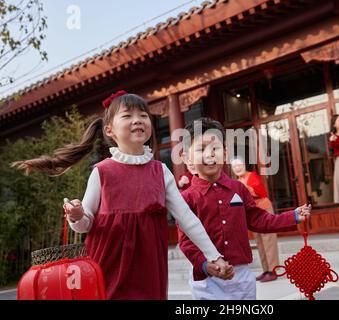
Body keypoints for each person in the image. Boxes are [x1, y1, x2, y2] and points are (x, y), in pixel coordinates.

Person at [11, 91, 232, 300]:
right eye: (127, 116)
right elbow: (84, 225)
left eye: (143, 115)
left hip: (149, 267)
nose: (137, 120)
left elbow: (187, 218)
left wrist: (214, 255)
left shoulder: (160, 171)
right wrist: (77, 214)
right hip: (108, 265)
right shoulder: (102, 171)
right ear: (109, 131)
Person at [177, 117, 311, 300]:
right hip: (207, 279)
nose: (210, 154)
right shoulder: (186, 198)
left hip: (241, 277)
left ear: (224, 154)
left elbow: (259, 219)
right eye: (201, 149)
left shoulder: (238, 189)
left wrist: (293, 216)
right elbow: (186, 242)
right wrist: (204, 265)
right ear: (187, 158)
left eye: (214, 148)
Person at [230, 157, 280, 282]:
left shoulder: (252, 176)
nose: (237, 168)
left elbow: (262, 193)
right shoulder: (238, 181)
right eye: (234, 166)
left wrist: (246, 189)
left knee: (268, 240)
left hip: (263, 209)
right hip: (253, 213)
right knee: (259, 241)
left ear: (244, 165)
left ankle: (273, 270)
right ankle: (266, 270)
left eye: (239, 165)